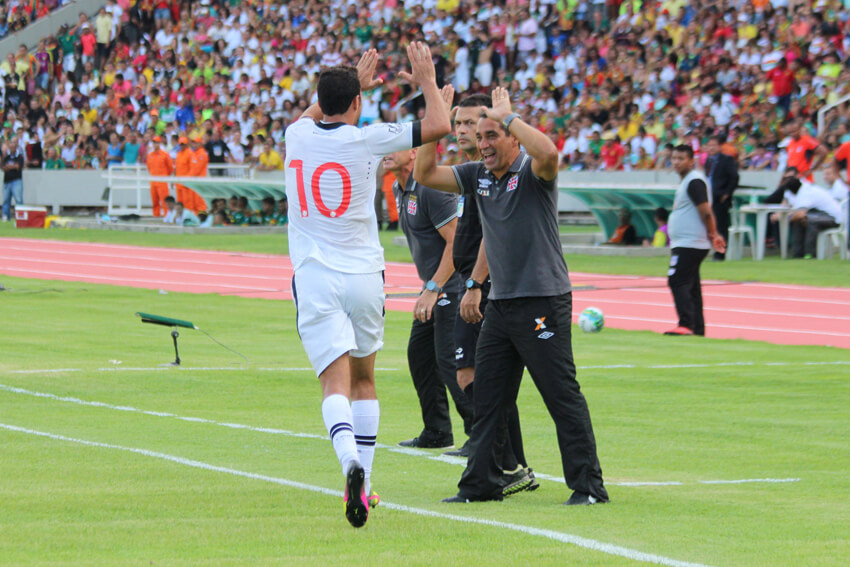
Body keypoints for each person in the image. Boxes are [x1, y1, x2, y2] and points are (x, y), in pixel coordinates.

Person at [414, 87, 609, 506]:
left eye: (491, 136)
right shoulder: (477, 175)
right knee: (488, 396)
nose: (482, 144)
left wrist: (509, 116)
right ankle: (481, 484)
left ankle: (589, 487)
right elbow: (426, 175)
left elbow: (551, 153)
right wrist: (434, 123)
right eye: (478, 137)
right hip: (500, 304)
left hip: (543, 299)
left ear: (512, 138)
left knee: (560, 394)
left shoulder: (534, 171)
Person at [283, 44, 450, 528]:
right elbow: (436, 126)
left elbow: (318, 111)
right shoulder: (368, 139)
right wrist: (427, 81)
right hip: (364, 275)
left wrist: (352, 85)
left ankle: (349, 465)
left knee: (332, 383)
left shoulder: (296, 134)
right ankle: (367, 483)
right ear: (357, 104)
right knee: (364, 380)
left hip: (315, 273)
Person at [443, 92, 536, 495]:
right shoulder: (472, 172)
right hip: (473, 283)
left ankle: (506, 461)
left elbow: (491, 237)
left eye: (471, 124)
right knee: (479, 377)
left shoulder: (493, 174)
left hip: (486, 287)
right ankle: (501, 458)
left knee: (479, 376)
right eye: (458, 124)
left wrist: (474, 285)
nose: (464, 131)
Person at [383, 144, 474, 451]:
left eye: (393, 147)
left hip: (452, 286)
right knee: (419, 356)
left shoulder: (430, 190)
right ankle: (437, 430)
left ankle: (479, 435)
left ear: (414, 154)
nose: (385, 152)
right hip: (434, 288)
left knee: (451, 360)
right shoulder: (400, 187)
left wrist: (434, 288)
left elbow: (456, 240)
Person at [665, 145, 726, 336]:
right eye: (674, 158)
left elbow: (705, 211)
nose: (676, 162)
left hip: (689, 243)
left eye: (681, 158)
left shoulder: (694, 181)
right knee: (691, 285)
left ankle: (687, 324)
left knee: (677, 280)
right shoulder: (688, 181)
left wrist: (714, 233)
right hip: (687, 242)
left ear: (691, 160)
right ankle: (697, 328)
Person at [771, 175, 842, 259]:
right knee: (799, 221)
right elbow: (792, 208)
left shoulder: (806, 192)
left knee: (810, 222)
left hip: (833, 218)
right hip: (818, 215)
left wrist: (783, 219)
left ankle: (810, 254)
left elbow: (800, 214)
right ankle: (797, 254)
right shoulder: (799, 189)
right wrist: (781, 215)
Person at [704, 135, 738, 261]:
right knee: (711, 226)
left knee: (721, 226)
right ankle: (713, 250)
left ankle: (720, 253)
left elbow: (734, 177)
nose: (712, 148)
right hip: (709, 198)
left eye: (714, 145)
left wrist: (727, 193)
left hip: (720, 198)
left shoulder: (726, 160)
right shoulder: (708, 161)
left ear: (719, 147)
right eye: (710, 145)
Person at [146, 135, 173, 217]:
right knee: (154, 201)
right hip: (153, 180)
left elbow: (170, 168)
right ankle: (156, 215)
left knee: (164, 201)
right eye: (154, 142)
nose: (155, 144)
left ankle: (167, 216)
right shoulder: (150, 155)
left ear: (159, 143)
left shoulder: (165, 155)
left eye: (156, 142)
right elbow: (149, 167)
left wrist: (164, 176)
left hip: (162, 181)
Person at [2, 138, 24, 221]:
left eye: (13, 147)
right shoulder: (6, 157)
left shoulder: (19, 157)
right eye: (10, 147)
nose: (12, 149)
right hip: (7, 181)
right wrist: (12, 166)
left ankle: (20, 217)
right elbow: (3, 167)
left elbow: (18, 167)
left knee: (18, 200)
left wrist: (9, 166)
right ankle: (5, 216)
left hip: (16, 181)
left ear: (16, 148)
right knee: (6, 200)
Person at [188, 136, 209, 212]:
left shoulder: (202, 154)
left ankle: (201, 217)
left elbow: (197, 169)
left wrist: (188, 177)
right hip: (194, 181)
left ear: (200, 144)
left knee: (199, 201)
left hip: (199, 181)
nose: (194, 145)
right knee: (194, 201)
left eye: (196, 143)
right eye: (193, 143)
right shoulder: (194, 153)